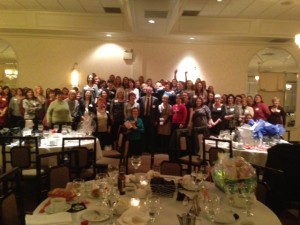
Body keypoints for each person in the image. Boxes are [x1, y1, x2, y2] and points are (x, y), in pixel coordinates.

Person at [137, 86, 159, 153]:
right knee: (143, 134)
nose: (149, 91)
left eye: (150, 90)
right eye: (147, 90)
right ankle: (143, 148)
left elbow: (157, 111)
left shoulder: (155, 99)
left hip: (151, 119)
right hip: (143, 119)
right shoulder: (141, 99)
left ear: (152, 91)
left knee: (151, 134)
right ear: (145, 91)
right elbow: (139, 109)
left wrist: (156, 120)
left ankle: (150, 149)